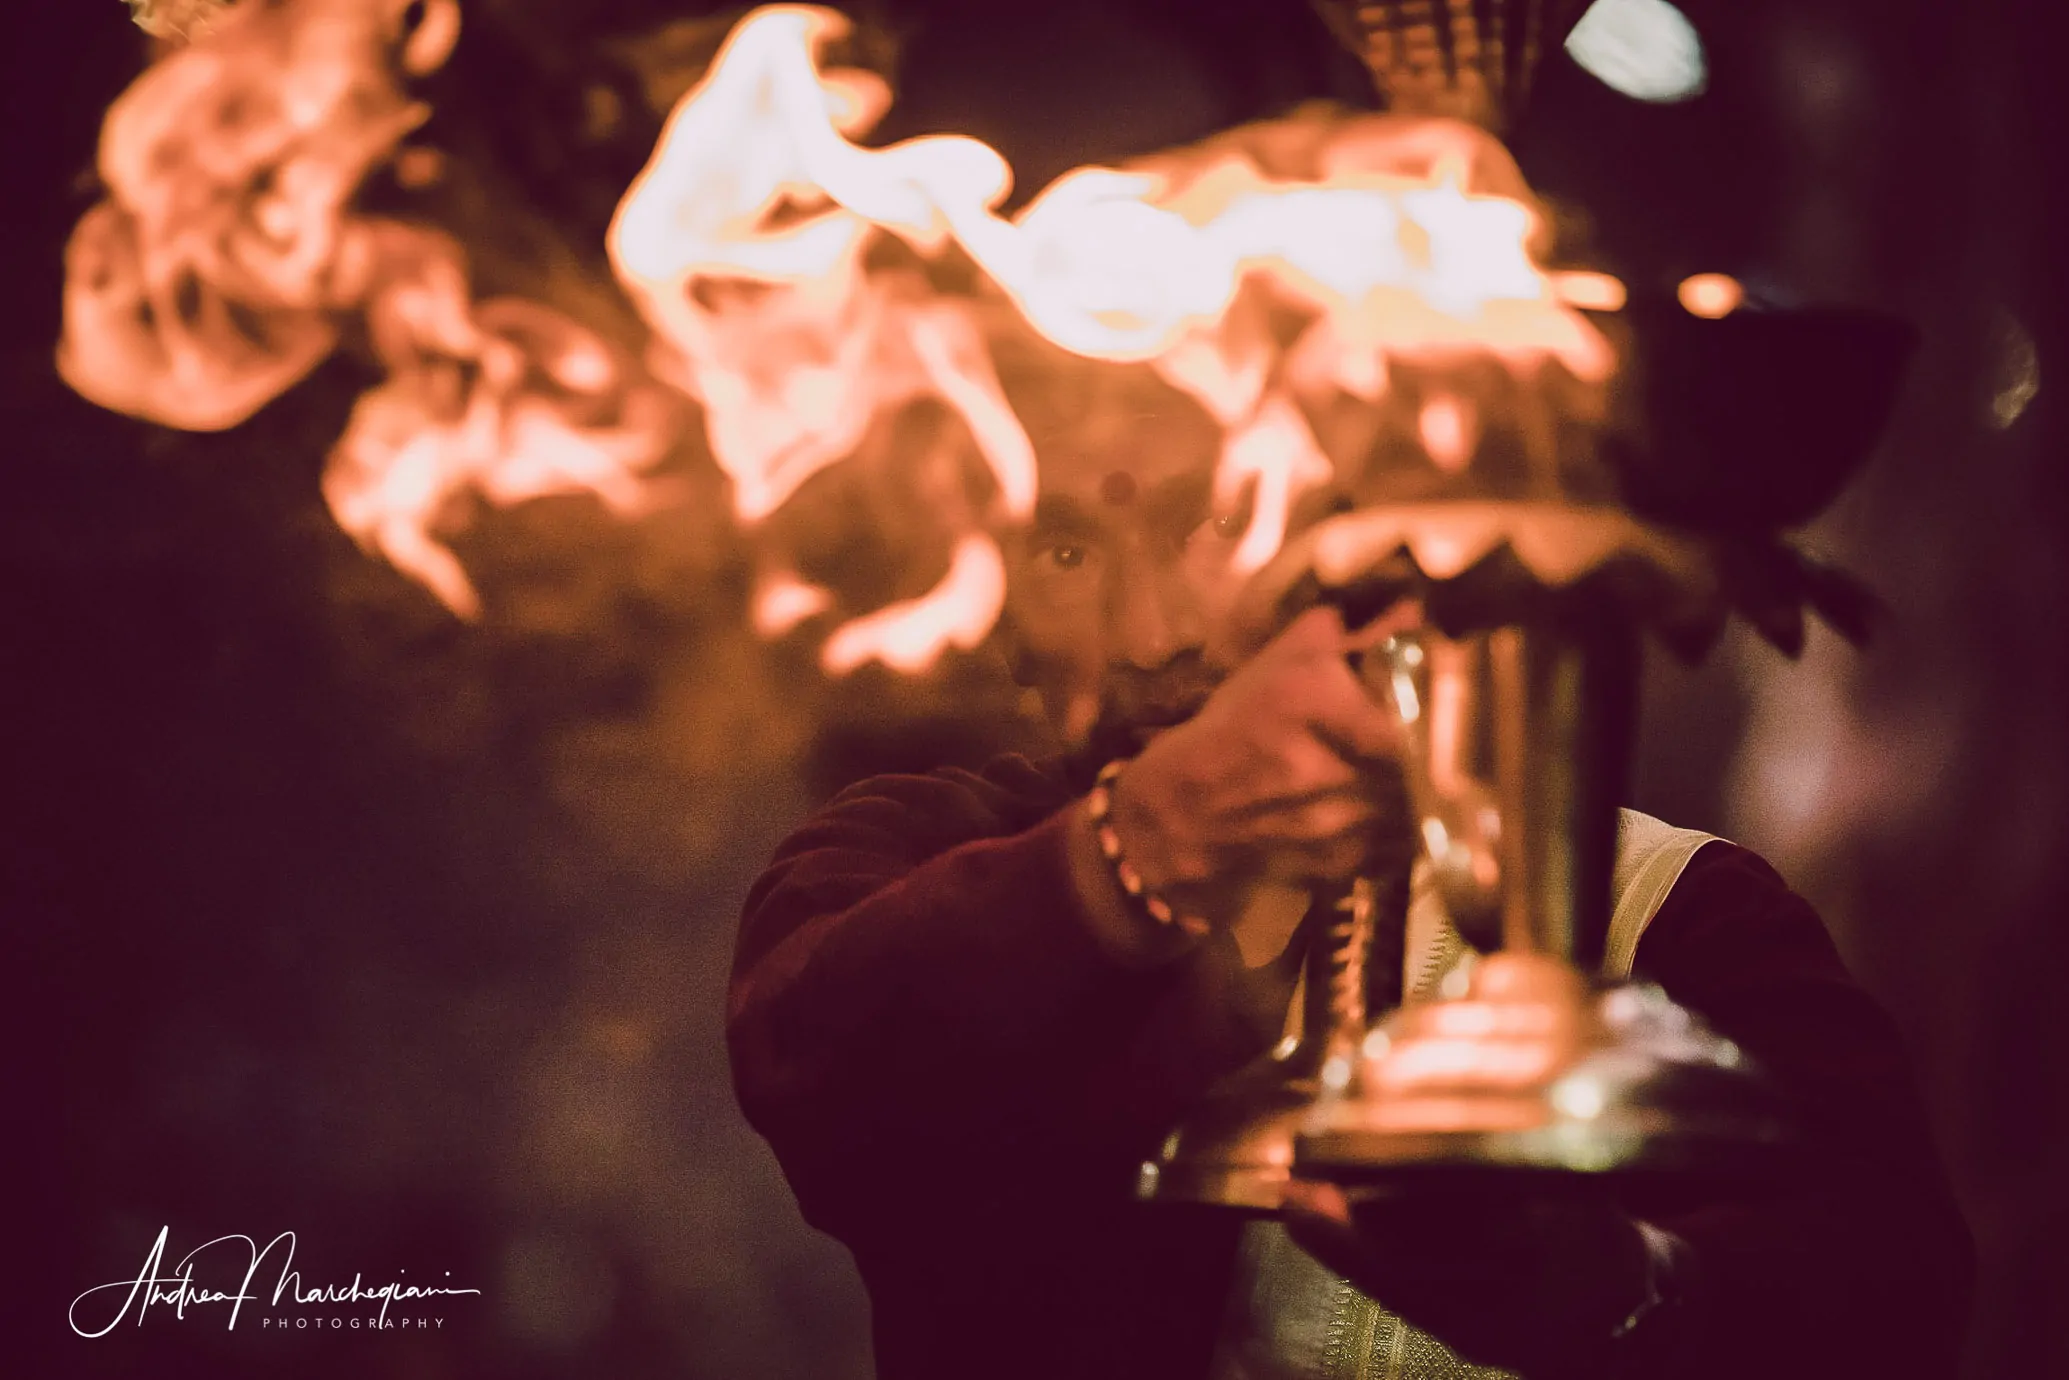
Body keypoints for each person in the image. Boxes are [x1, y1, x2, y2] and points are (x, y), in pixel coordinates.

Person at [726, 370, 1974, 1378]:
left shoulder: (1667, 914)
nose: (1148, 629)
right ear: (988, 608)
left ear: (1351, 547)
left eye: (1207, 519)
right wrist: (1141, 850)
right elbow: (823, 1067)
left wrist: (1619, 1293)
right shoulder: (910, 858)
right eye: (1062, 549)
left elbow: (1891, 1306)